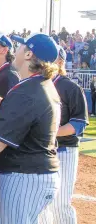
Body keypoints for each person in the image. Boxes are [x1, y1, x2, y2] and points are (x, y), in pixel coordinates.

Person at [0, 33, 60, 224]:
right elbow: (16, 112)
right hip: (37, 175)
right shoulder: (41, 85)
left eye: (21, 47)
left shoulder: (27, 91)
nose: (16, 51)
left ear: (28, 55)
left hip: (24, 178)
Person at [39, 47, 89, 224]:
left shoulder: (70, 87)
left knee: (60, 205)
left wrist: (47, 133)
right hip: (41, 151)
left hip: (64, 150)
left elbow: (78, 124)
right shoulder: (37, 84)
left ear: (59, 62)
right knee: (42, 203)